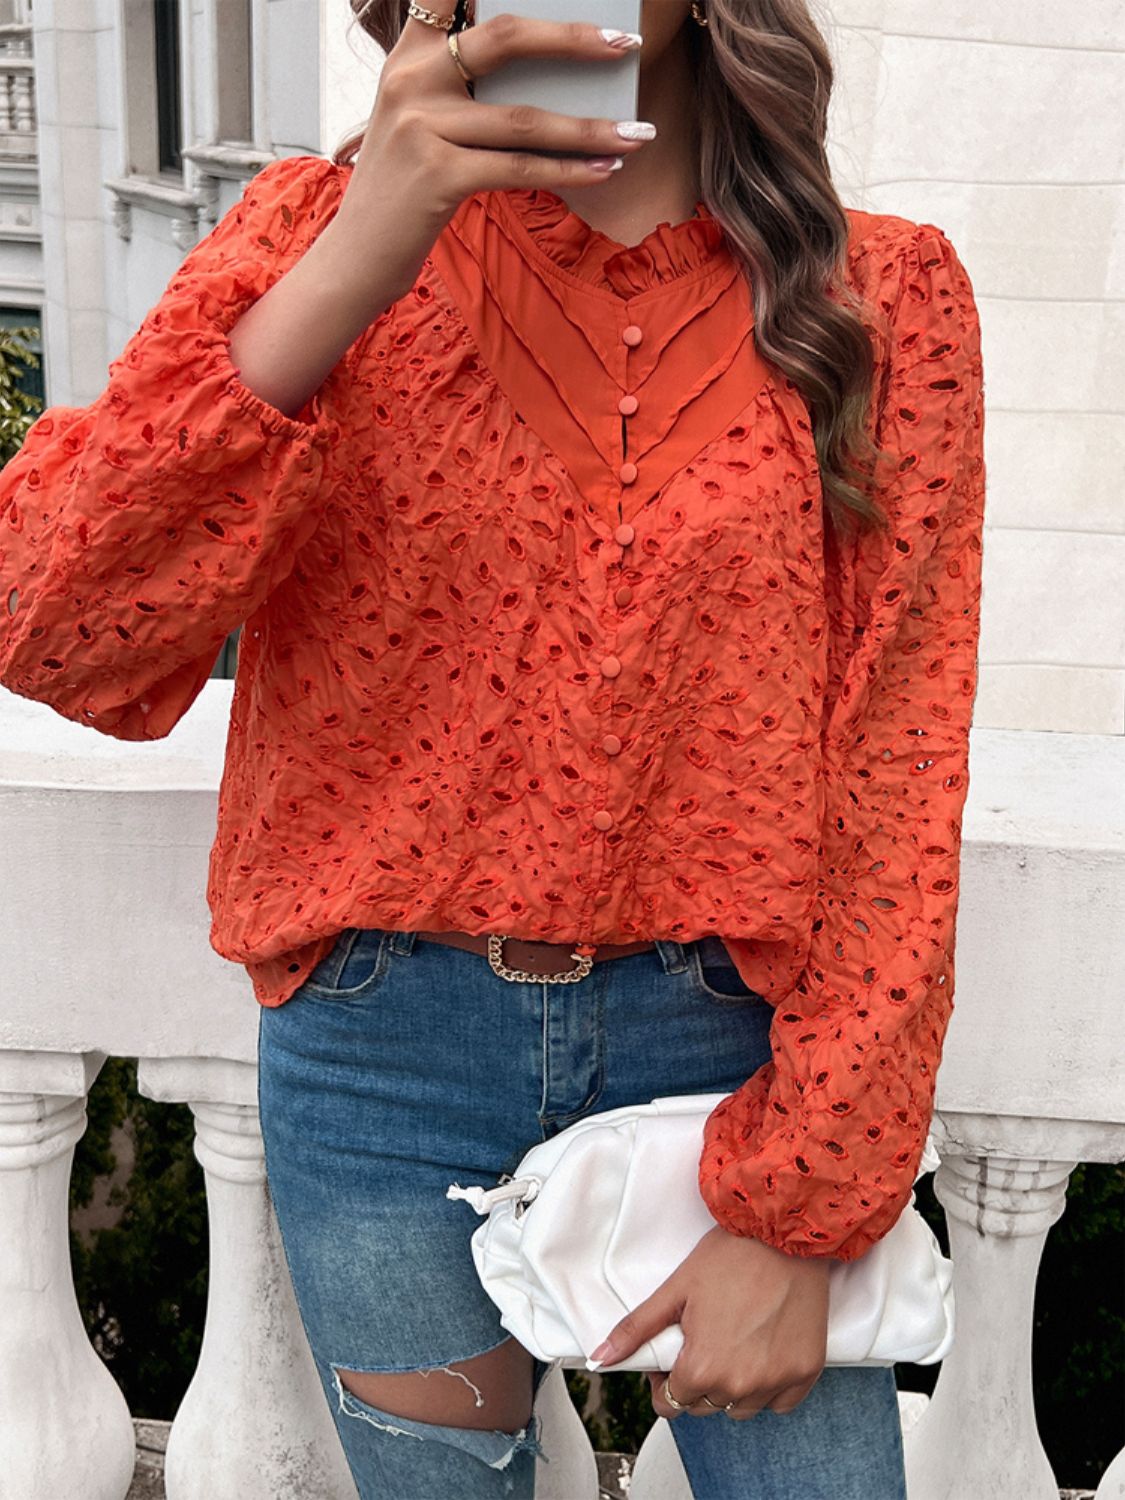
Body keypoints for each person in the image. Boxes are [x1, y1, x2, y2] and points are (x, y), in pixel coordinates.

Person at [0, 0, 986, 1495]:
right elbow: (56, 623)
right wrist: (364, 247)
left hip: (736, 1057)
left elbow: (897, 769)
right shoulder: (311, 241)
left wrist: (804, 1204)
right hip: (381, 1062)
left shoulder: (881, 302)